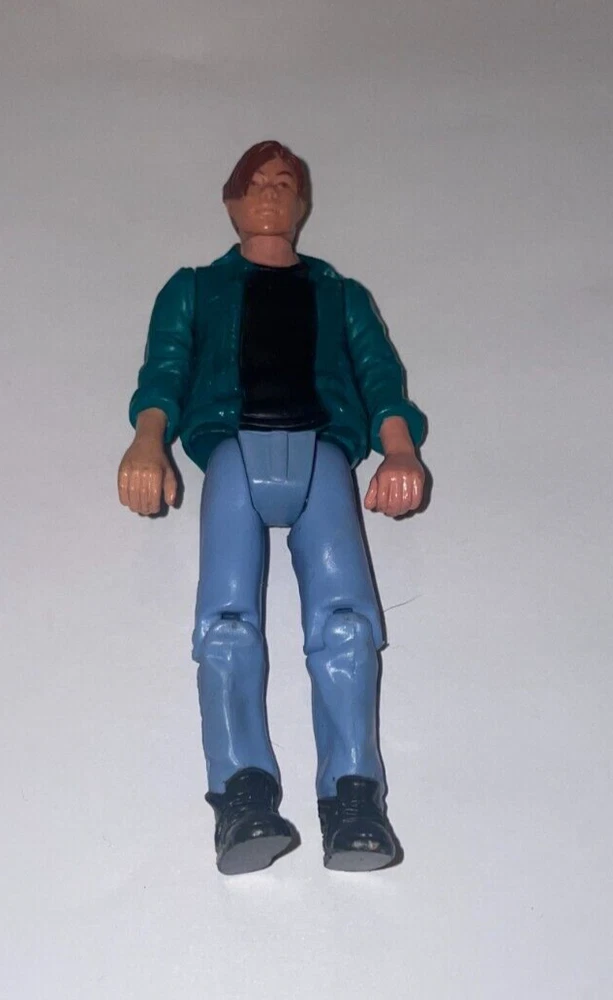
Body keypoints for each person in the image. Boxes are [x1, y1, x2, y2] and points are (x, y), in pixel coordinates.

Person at [118, 140, 426, 875]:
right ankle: (242, 795)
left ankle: (354, 797)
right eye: (254, 182)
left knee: (347, 623)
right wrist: (147, 440)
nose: (268, 192)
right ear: (231, 200)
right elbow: (165, 368)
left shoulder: (340, 294)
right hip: (233, 451)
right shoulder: (194, 288)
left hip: (323, 453)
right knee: (225, 625)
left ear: (302, 202)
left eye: (284, 182)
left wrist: (399, 450)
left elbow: (379, 375)